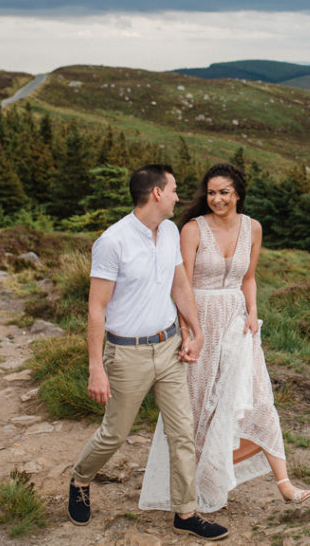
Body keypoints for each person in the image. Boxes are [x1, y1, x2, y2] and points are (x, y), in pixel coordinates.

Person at [67, 164, 228, 541]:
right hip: (127, 356)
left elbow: (180, 286)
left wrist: (197, 332)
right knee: (115, 433)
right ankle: (80, 479)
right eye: (173, 189)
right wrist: (96, 368)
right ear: (156, 193)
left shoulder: (170, 231)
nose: (178, 196)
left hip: (170, 347)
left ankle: (186, 513)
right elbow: (96, 309)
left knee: (182, 432)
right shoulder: (113, 241)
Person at [139, 162, 310, 513]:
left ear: (238, 194)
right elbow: (181, 283)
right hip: (200, 321)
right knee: (200, 406)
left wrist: (252, 311)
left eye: (224, 192)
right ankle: (199, 484)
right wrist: (187, 332)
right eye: (211, 192)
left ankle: (284, 483)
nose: (216, 198)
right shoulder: (192, 229)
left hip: (237, 323)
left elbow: (249, 277)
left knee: (259, 399)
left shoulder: (254, 228)